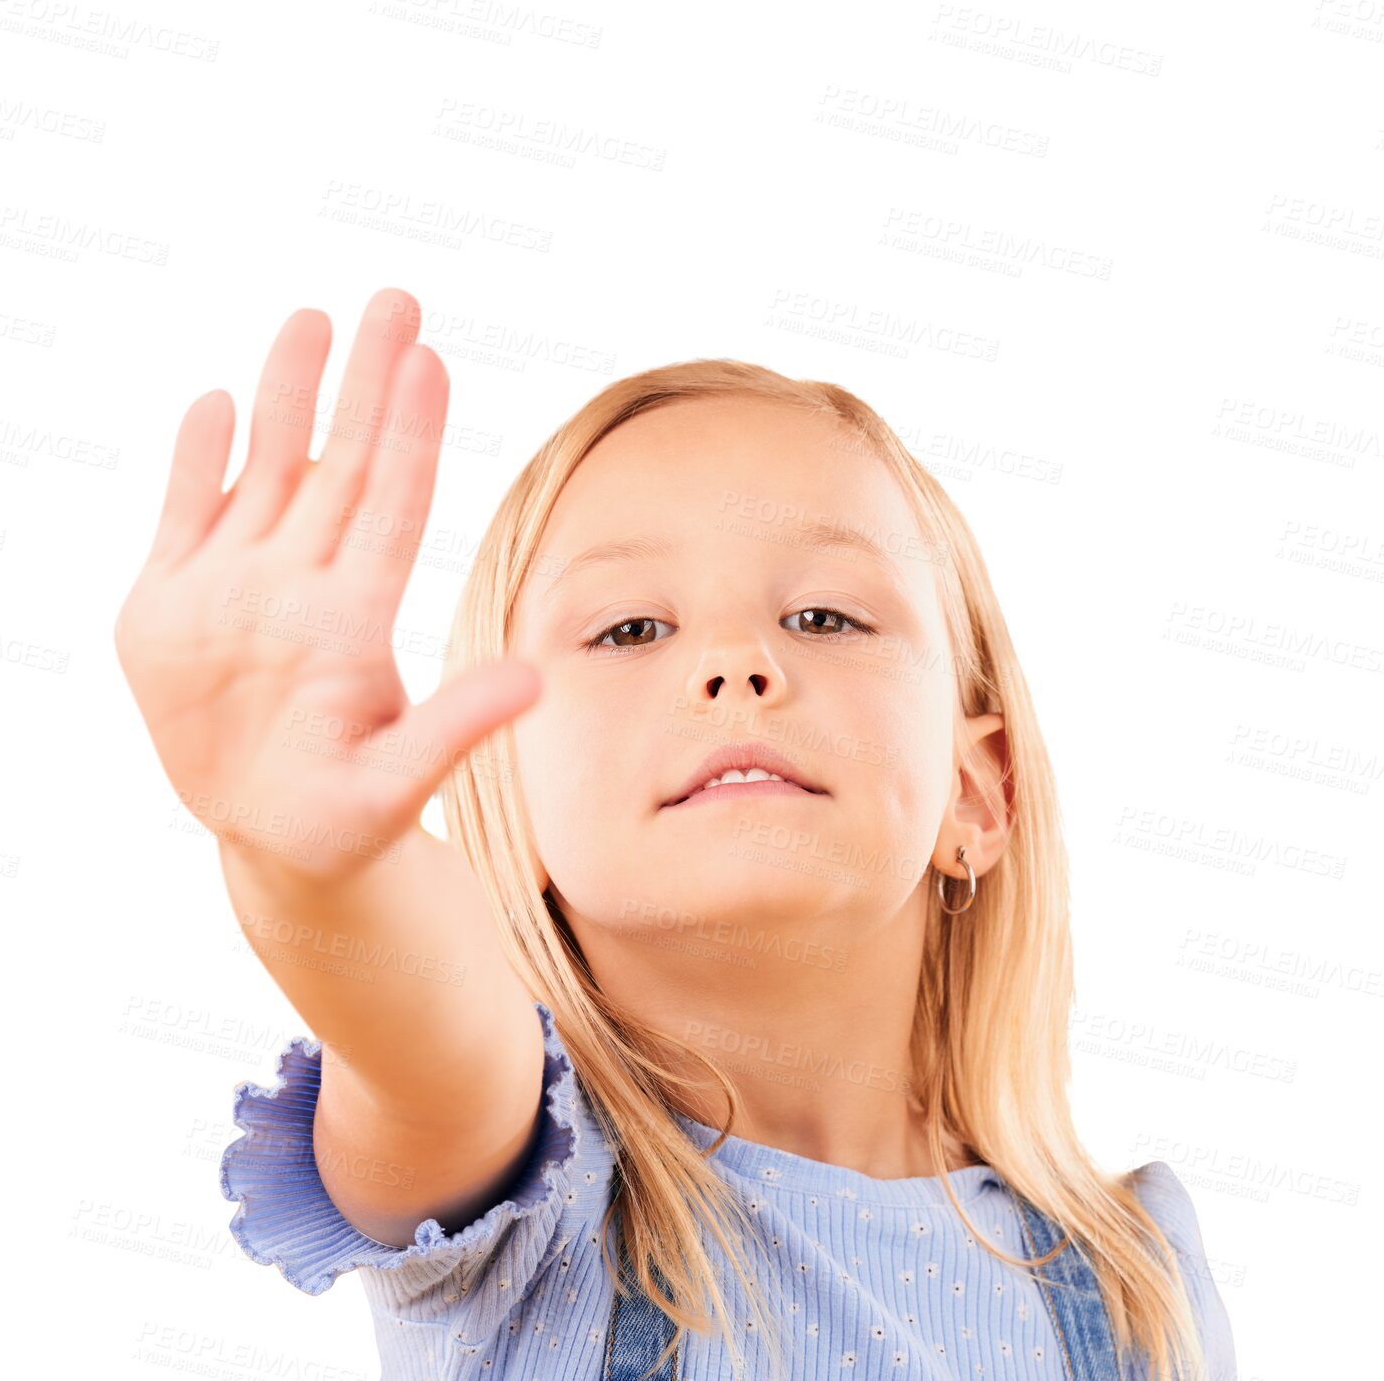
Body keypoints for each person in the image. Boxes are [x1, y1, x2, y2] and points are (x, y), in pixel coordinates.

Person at [115, 287, 1237, 1380]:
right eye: (631, 627)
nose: (736, 663)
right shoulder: (525, 1195)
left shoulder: (1131, 1281)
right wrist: (317, 873)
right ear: (516, 802)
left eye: (824, 615)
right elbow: (426, 1035)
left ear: (975, 791)